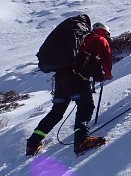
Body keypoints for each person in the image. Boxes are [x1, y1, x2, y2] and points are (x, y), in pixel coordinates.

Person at [26, 22, 113, 156]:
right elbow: (105, 57)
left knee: (56, 113)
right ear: (104, 32)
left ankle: (32, 143)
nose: (108, 37)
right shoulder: (98, 39)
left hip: (61, 80)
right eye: (108, 34)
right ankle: (82, 141)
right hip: (78, 79)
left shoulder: (78, 41)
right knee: (85, 107)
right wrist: (107, 73)